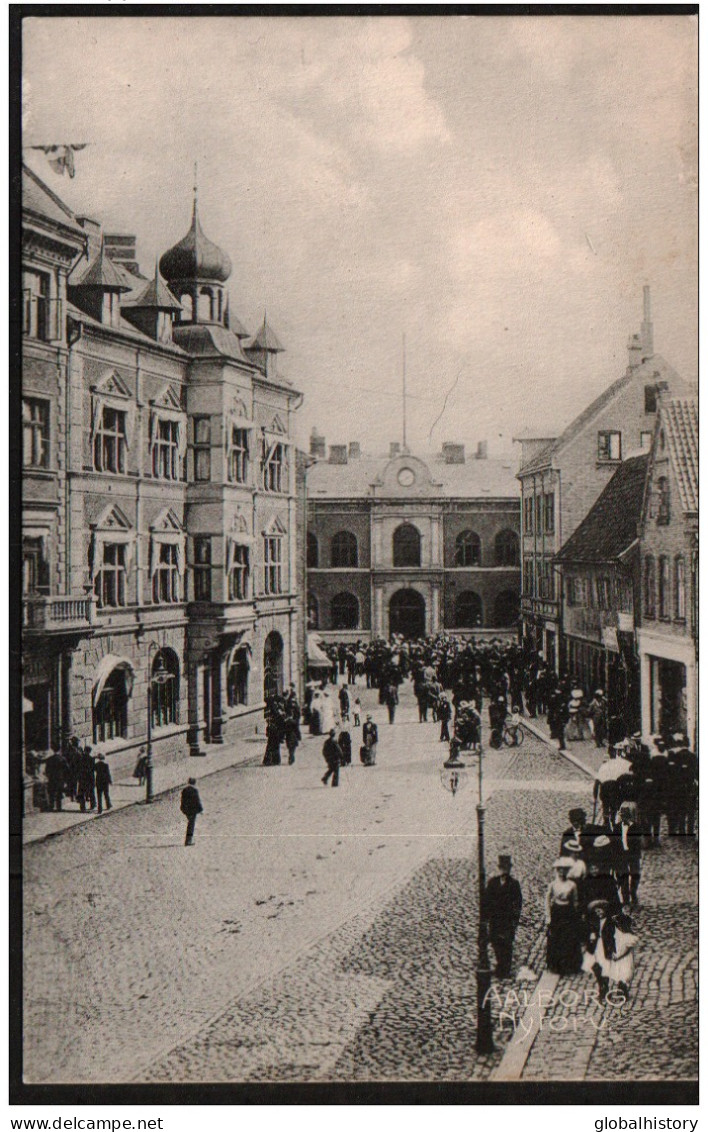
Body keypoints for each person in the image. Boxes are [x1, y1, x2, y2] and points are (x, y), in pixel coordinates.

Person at [482, 853, 523, 979]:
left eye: (507, 868)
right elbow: (486, 901)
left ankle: (505, 969)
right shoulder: (492, 883)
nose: (504, 870)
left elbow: (518, 902)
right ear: (499, 868)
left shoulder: (514, 884)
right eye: (502, 868)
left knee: (507, 943)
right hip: (495, 919)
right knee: (496, 942)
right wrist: (486, 917)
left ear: (510, 869)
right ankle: (500, 965)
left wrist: (515, 919)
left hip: (507, 919)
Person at [545, 859, 582, 975]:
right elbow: (547, 899)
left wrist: (576, 916)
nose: (562, 873)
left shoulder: (572, 885)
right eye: (559, 871)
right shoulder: (553, 884)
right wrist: (548, 916)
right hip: (557, 912)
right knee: (556, 938)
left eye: (564, 871)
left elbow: (575, 901)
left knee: (568, 938)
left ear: (567, 872)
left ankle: (569, 965)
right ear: (557, 871)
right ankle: (556, 965)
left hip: (568, 913)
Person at [611, 803, 642, 908]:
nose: (623, 818)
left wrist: (636, 854)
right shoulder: (617, 828)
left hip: (633, 855)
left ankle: (633, 893)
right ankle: (625, 898)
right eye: (622, 816)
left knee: (635, 875)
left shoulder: (636, 827)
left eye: (625, 816)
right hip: (621, 854)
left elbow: (638, 843)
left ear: (629, 816)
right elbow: (613, 842)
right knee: (622, 876)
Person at [180, 777, 203, 846]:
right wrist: (200, 809)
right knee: (191, 825)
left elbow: (182, 800)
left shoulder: (184, 790)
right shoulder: (194, 790)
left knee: (189, 824)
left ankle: (188, 840)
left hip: (186, 810)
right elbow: (197, 801)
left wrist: (183, 809)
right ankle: (188, 841)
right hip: (193, 810)